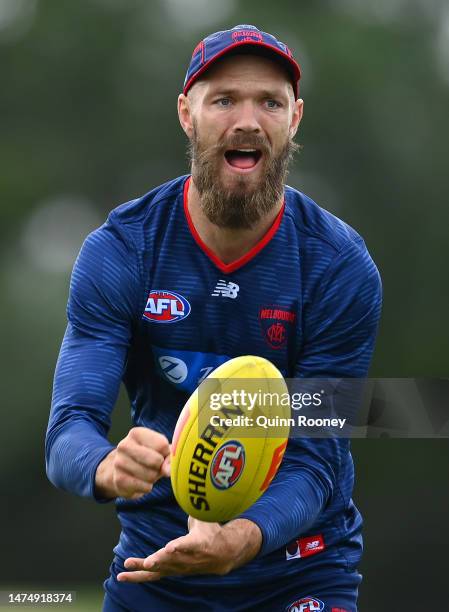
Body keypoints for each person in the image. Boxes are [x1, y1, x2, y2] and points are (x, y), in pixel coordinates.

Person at [46, 24, 382, 612]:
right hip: (156, 567)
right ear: (186, 113)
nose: (247, 121)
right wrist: (103, 464)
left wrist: (242, 538)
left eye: (269, 102)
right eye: (224, 99)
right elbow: (69, 428)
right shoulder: (124, 250)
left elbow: (316, 456)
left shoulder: (338, 266)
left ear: (295, 118)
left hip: (301, 571)